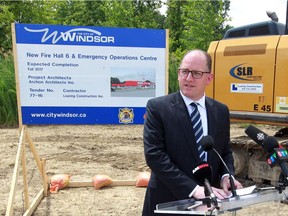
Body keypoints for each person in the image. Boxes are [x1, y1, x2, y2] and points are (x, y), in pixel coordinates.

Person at [142, 49, 243, 215]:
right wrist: (193, 189)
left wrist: (227, 176)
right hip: (167, 200)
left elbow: (224, 151)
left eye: (196, 73)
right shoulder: (158, 108)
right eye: (184, 72)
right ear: (178, 74)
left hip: (209, 203)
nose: (188, 78)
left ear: (209, 78)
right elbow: (154, 156)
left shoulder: (220, 111)